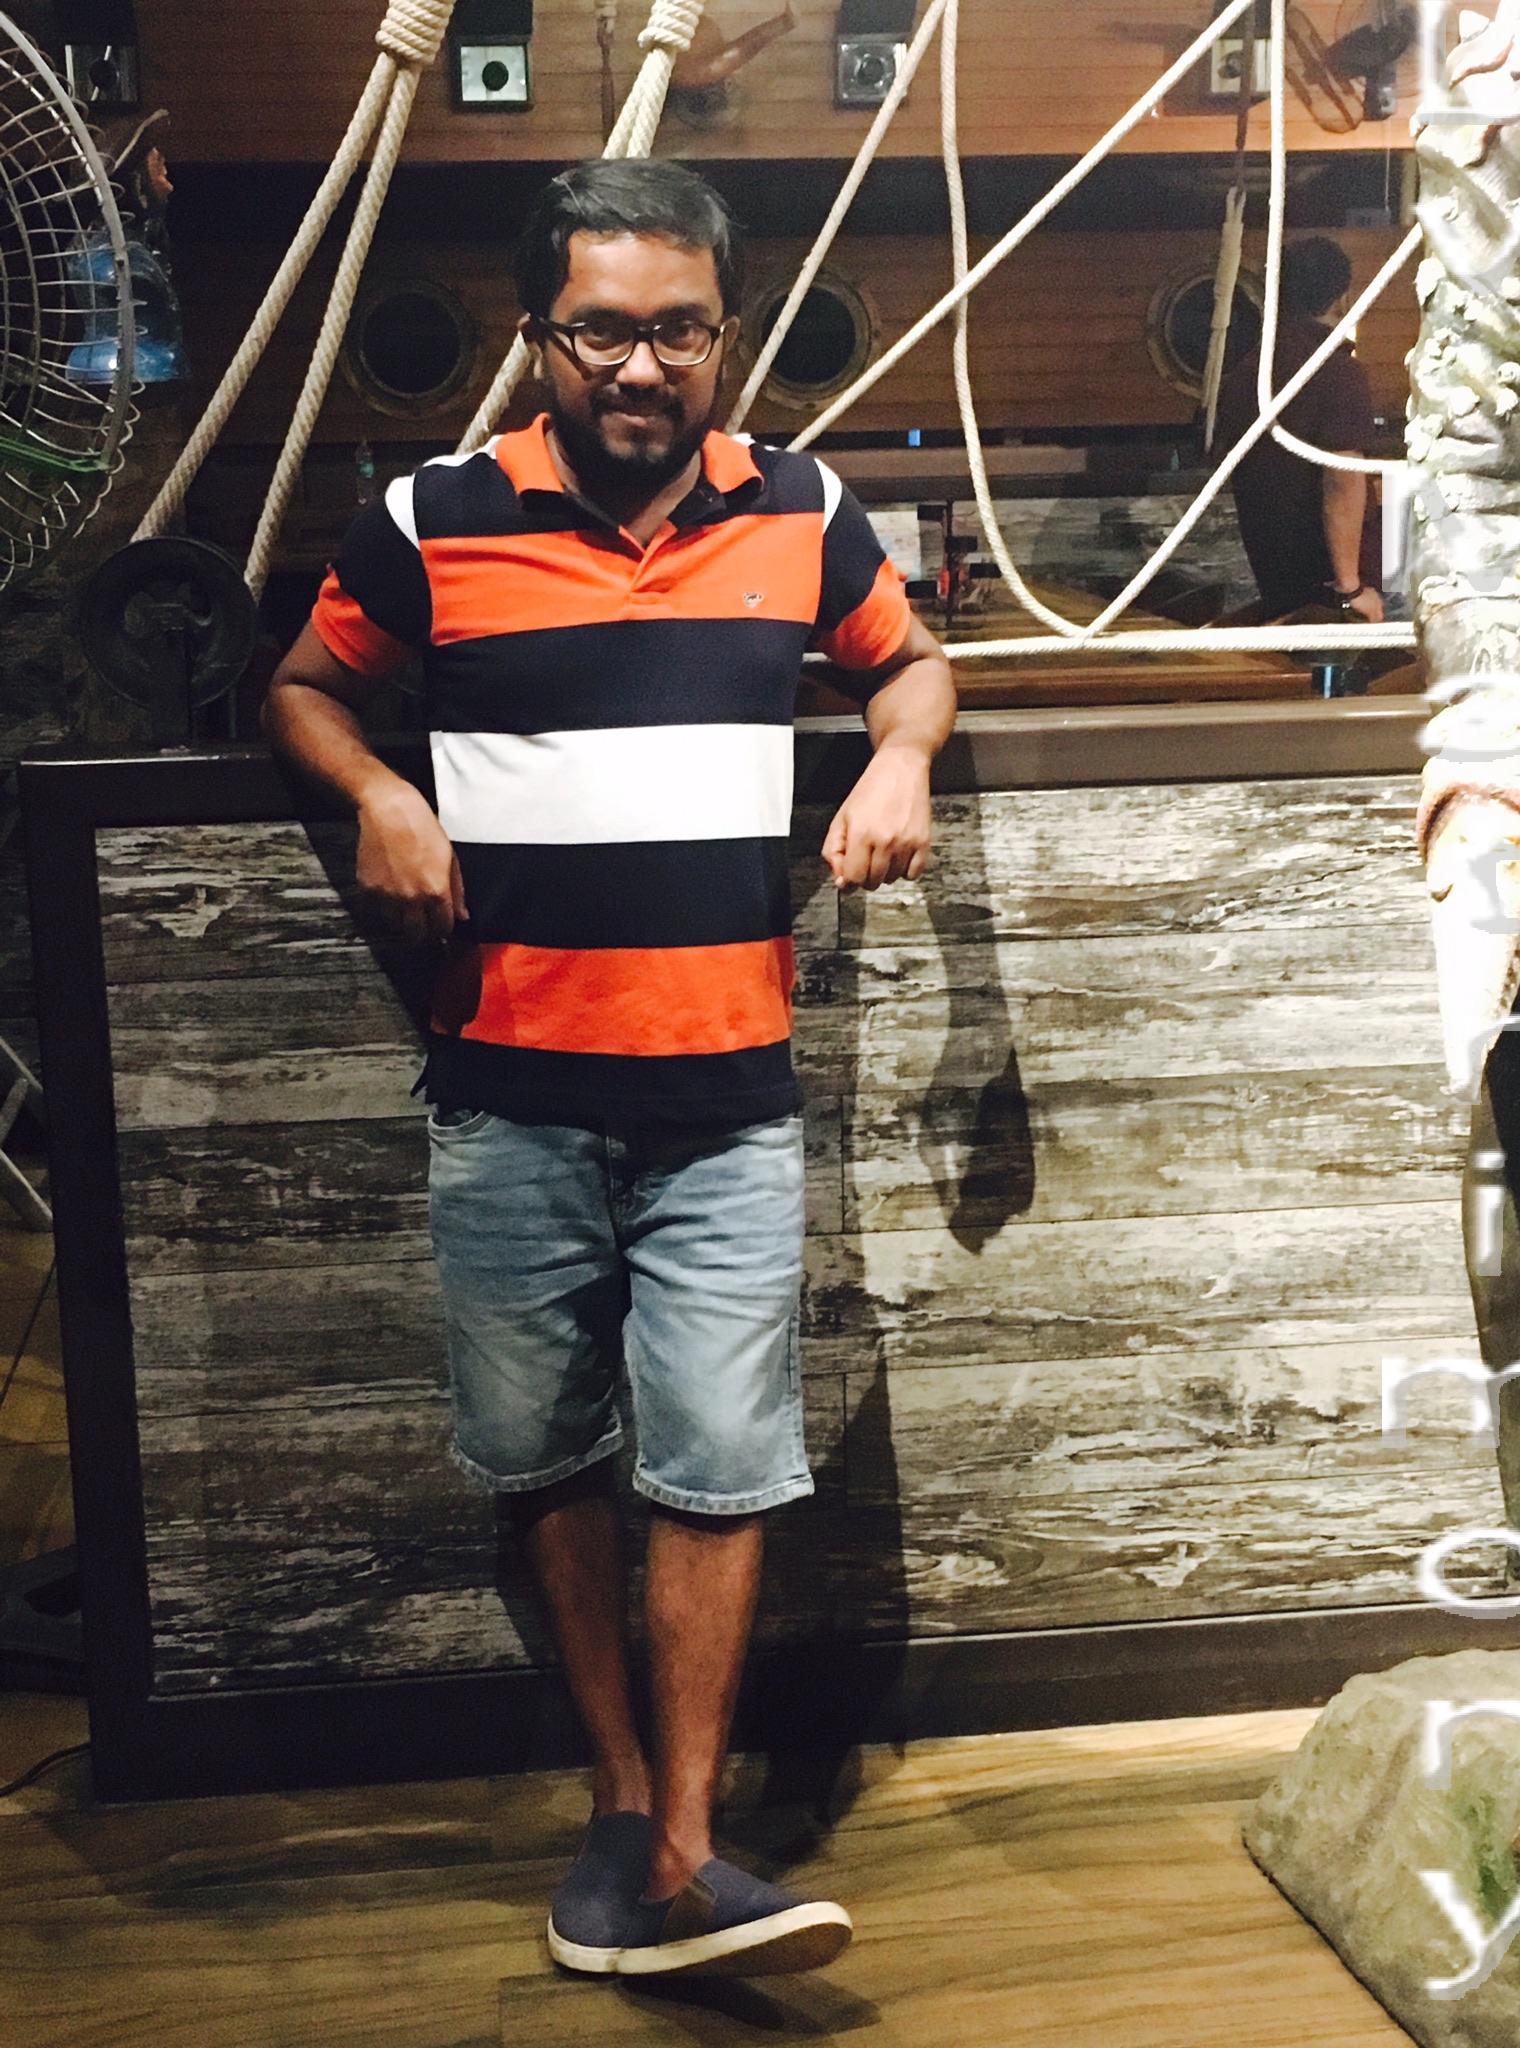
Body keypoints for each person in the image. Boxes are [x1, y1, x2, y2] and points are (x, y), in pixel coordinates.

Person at [262, 157, 956, 1980]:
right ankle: (625, 1799)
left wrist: (900, 754)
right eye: (601, 331)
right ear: (537, 337)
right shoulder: (432, 516)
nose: (641, 365)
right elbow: (302, 687)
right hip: (507, 1096)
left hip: (727, 1101)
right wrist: (379, 791)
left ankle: (689, 1849)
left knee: (720, 1467)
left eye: (678, 330)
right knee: (544, 1459)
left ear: (724, 336)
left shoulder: (802, 509)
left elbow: (913, 669)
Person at [1215, 236, 1385, 623]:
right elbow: (1341, 479)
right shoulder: (1337, 372)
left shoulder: (1247, 372)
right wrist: (1350, 589)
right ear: (1342, 298)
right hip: (1330, 589)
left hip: (1278, 578)